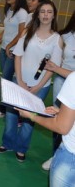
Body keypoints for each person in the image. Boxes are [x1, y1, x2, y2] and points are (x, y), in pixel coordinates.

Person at [0, 0, 63, 162]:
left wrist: (38, 86)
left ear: (54, 15)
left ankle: (21, 148)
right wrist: (19, 80)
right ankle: (8, 143)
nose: (46, 15)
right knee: (11, 115)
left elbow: (53, 66)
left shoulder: (57, 39)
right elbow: (18, 55)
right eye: (43, 12)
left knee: (29, 119)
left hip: (40, 86)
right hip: (19, 80)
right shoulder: (27, 32)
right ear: (37, 14)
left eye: (49, 12)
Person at [16, 71, 75, 186]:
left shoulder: (74, 79)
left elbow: (61, 127)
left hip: (71, 157)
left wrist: (32, 116)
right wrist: (65, 113)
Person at [41, 10, 75, 170]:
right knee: (59, 118)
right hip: (63, 82)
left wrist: (57, 69)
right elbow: (56, 59)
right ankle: (57, 154)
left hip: (68, 77)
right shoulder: (65, 36)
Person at [0, 0, 28, 118]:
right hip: (4, 48)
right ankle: (3, 104)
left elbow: (21, 33)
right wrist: (1, 35)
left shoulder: (22, 13)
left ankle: (4, 109)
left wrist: (9, 46)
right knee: (4, 78)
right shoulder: (9, 11)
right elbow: (9, 27)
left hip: (12, 51)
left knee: (6, 79)